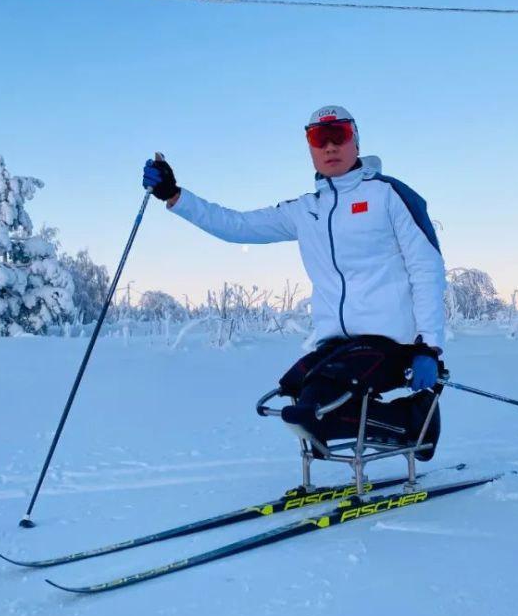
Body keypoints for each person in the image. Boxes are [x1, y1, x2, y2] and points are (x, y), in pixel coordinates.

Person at [142, 105, 448, 460]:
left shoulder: (388, 195)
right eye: (320, 138)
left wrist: (429, 347)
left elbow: (427, 269)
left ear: (356, 141)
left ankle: (415, 422)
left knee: (317, 403)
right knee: (295, 391)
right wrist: (175, 196)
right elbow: (237, 225)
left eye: (340, 135)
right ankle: (406, 420)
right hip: (338, 346)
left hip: (393, 343)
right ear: (310, 147)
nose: (330, 146)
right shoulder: (306, 210)